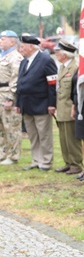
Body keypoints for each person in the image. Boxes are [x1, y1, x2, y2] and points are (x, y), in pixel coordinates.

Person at [16, 34, 58, 171]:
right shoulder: (24, 61)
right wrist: (18, 103)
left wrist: (52, 104)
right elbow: (20, 84)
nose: (20, 49)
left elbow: (52, 84)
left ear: (31, 47)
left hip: (41, 104)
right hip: (26, 104)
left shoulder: (46, 60)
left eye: (23, 46)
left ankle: (46, 161)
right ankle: (36, 159)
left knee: (44, 134)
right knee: (33, 135)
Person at [53, 40, 83, 176]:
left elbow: (77, 90)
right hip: (61, 108)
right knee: (63, 138)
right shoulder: (62, 67)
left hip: (70, 107)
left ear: (65, 54)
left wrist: (74, 107)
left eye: (57, 51)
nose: (55, 53)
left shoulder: (75, 67)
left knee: (71, 138)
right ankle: (68, 162)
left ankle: (76, 164)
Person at [0, 30, 23, 165]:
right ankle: (2, 153)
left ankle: (13, 156)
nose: (0, 41)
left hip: (7, 94)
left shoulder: (16, 57)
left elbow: (16, 79)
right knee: (1, 127)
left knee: (11, 126)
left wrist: (10, 98)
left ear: (12, 41)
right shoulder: (2, 56)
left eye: (3, 39)